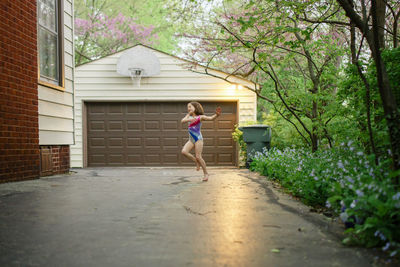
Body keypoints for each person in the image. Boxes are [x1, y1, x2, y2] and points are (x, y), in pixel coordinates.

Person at [181, 102, 222, 181]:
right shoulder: (188, 116)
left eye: (190, 107)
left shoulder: (200, 117)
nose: (188, 108)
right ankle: (196, 162)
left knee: (198, 156)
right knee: (184, 152)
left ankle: (206, 173)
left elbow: (210, 118)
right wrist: (189, 118)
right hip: (191, 139)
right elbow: (182, 121)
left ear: (195, 107)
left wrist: (216, 115)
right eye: (188, 107)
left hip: (198, 139)